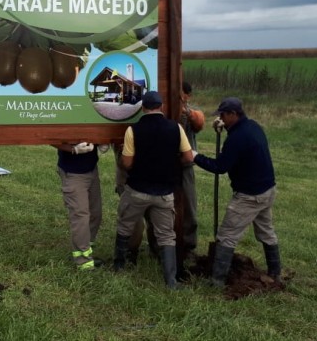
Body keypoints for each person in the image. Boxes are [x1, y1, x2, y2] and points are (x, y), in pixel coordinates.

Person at [193, 97, 281, 287]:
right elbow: (240, 146)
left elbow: (220, 167)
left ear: (234, 114)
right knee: (266, 232)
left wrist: (195, 157)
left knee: (226, 236)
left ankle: (217, 282)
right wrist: (223, 128)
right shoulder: (253, 127)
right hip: (267, 190)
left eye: (223, 115)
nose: (221, 118)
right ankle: (275, 272)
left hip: (250, 196)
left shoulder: (238, 138)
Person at [112, 91, 194, 289]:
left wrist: (124, 162)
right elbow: (189, 158)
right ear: (161, 107)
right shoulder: (176, 128)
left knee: (125, 226)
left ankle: (119, 267)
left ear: (143, 108)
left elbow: (127, 163)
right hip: (164, 193)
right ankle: (171, 280)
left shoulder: (133, 130)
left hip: (137, 191)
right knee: (167, 236)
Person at [54, 140, 103, 270]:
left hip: (91, 169)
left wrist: (103, 141)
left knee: (95, 214)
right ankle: (83, 261)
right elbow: (49, 138)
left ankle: (87, 250)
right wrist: (72, 149)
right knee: (80, 216)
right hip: (73, 173)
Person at [179, 81, 205, 258]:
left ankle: (188, 246)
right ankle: (160, 246)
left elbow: (199, 123)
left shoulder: (191, 112)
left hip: (185, 166)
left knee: (189, 208)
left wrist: (186, 111)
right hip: (164, 166)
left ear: (188, 95)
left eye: (181, 94)